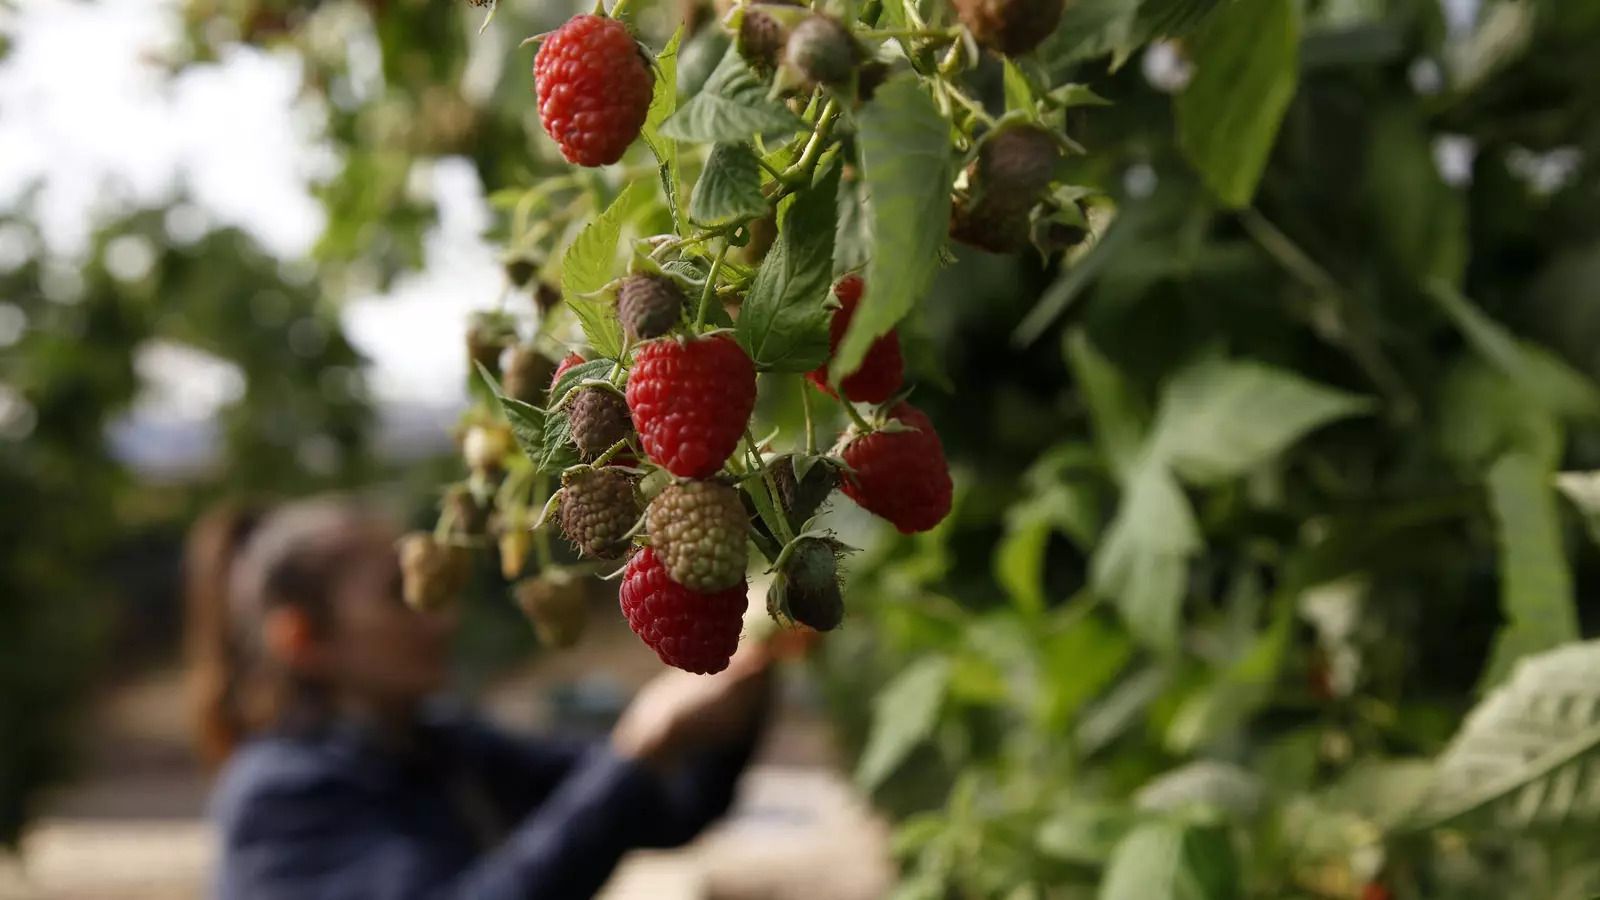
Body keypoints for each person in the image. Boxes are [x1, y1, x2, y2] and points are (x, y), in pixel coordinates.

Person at [185, 496, 772, 900]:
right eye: (402, 594)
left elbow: (665, 808)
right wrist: (640, 747)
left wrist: (750, 664)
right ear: (303, 638)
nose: (441, 621)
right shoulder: (281, 800)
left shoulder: (441, 745)